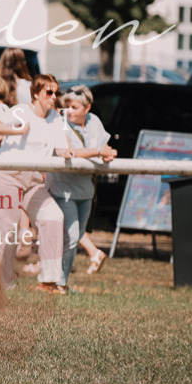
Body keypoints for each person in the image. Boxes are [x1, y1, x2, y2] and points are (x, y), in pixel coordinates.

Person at [0, 74, 72, 294]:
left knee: (53, 216)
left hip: (34, 181)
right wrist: (17, 130)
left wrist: (89, 153)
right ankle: (2, 285)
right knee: (7, 231)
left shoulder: (57, 118)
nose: (54, 97)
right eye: (49, 92)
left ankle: (49, 281)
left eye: (57, 93)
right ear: (36, 94)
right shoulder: (20, 111)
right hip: (7, 175)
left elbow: (62, 149)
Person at [48, 85, 118, 286]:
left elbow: (104, 147)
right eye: (67, 106)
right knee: (70, 238)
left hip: (86, 189)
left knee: (77, 236)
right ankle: (58, 281)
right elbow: (70, 152)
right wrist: (98, 151)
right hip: (64, 188)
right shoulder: (60, 124)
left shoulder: (94, 121)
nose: (69, 110)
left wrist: (108, 152)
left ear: (87, 108)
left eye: (74, 107)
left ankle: (62, 281)